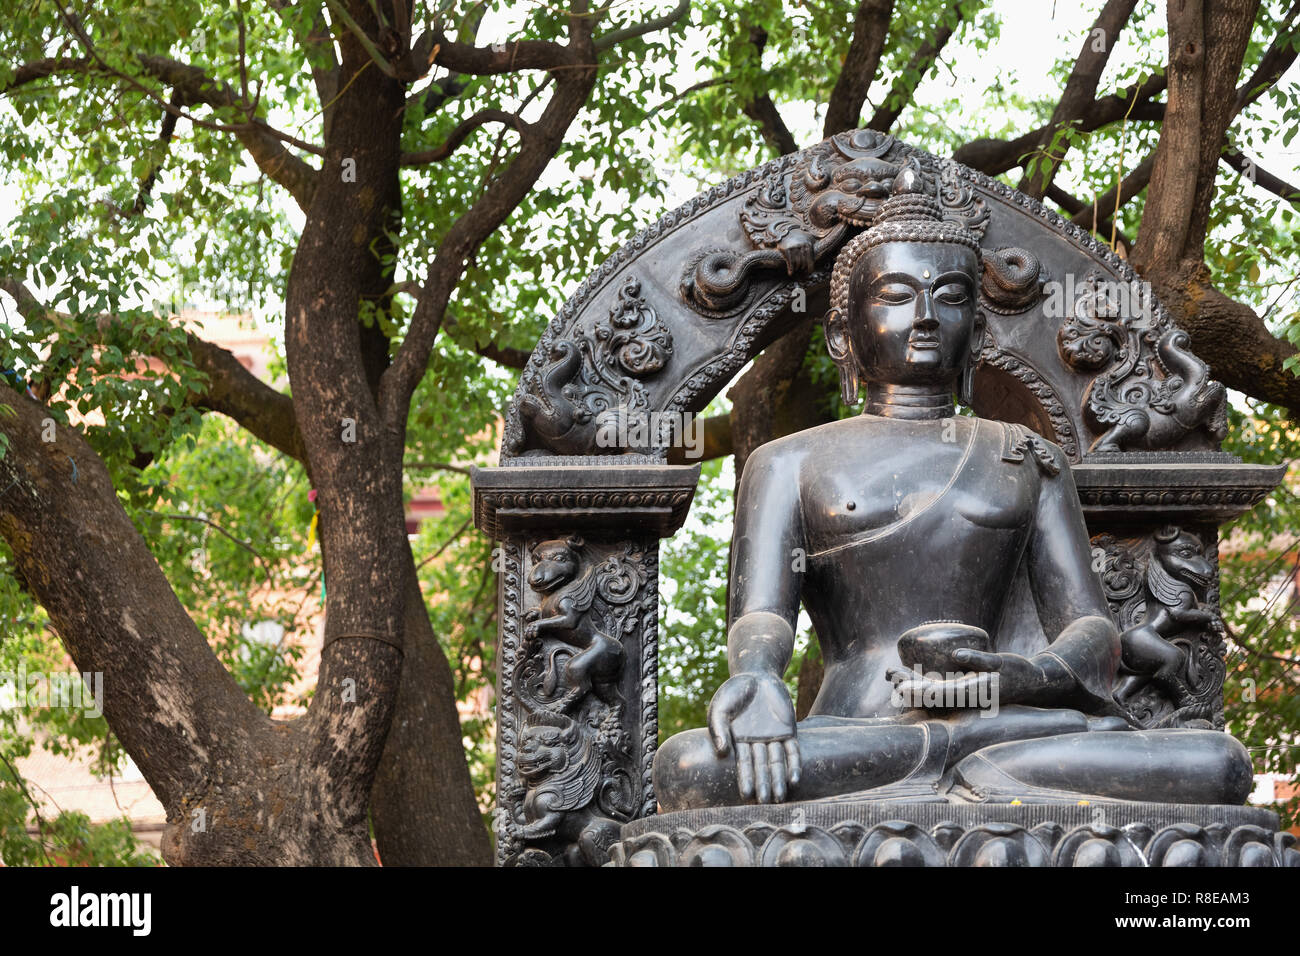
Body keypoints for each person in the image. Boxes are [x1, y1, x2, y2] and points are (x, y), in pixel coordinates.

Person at [653, 160, 1252, 811]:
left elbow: (1089, 629)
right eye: (897, 294)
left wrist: (1021, 674)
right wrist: (758, 674)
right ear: (840, 334)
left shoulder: (1027, 454)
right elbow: (764, 612)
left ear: (980, 331)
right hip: (862, 732)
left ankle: (974, 785)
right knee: (691, 768)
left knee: (1216, 762)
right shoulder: (788, 461)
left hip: (1004, 724)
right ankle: (977, 794)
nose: (928, 315)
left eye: (952, 296)